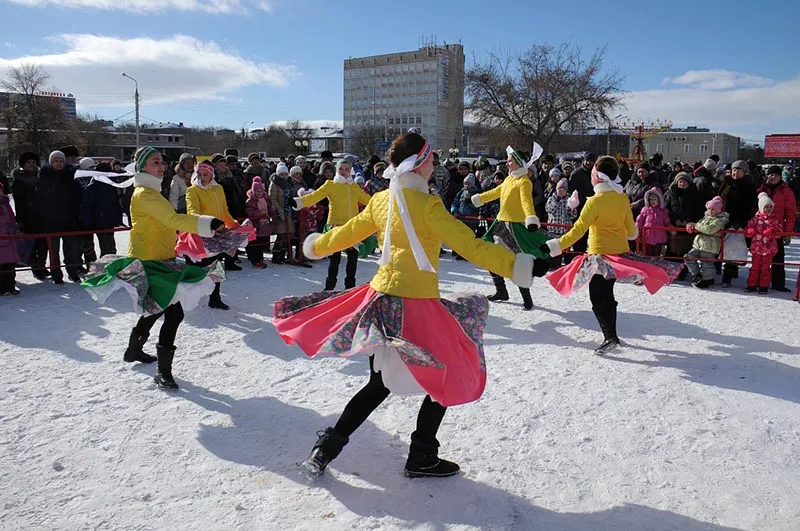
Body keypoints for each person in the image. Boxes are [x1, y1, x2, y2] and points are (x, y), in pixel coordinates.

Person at [273, 132, 549, 478]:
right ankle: (421, 455)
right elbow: (470, 245)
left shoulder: (380, 200)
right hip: (416, 306)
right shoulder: (429, 205)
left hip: (382, 302)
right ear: (420, 163)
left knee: (377, 385)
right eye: (432, 158)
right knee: (444, 375)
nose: (435, 164)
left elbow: (345, 234)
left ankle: (326, 448)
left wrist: (316, 245)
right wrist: (517, 265)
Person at [81, 147, 224, 389]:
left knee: (155, 309)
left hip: (162, 259)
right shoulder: (145, 194)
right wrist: (206, 223)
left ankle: (134, 349)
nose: (161, 166)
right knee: (173, 313)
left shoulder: (152, 192)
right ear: (142, 167)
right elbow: (171, 220)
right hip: (149, 262)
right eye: (155, 162)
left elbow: (168, 222)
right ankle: (163, 372)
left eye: (161, 162)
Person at [544, 156, 682, 353]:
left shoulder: (595, 202)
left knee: (597, 297)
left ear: (598, 178)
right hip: (618, 254)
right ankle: (611, 335)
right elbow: (631, 231)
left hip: (599, 256)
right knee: (607, 294)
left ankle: (610, 337)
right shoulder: (621, 198)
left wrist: (555, 245)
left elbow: (577, 231)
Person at [471, 145, 546, 311]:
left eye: (510, 161)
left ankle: (526, 298)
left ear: (519, 163)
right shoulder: (509, 179)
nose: (507, 163)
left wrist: (531, 217)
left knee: (517, 262)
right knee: (491, 257)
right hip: (499, 224)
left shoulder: (524, 181)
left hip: (514, 227)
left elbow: (527, 202)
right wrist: (479, 198)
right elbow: (496, 192)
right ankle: (501, 291)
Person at [293, 159, 372, 290]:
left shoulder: (354, 187)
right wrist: (299, 202)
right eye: (341, 169)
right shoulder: (330, 185)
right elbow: (315, 196)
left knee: (352, 259)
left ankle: (350, 287)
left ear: (350, 171)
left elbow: (368, 200)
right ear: (337, 170)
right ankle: (329, 287)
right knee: (335, 259)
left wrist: (384, 202)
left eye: (347, 169)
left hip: (351, 227)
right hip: (334, 226)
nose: (344, 171)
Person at [186, 161, 241, 310]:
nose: (202, 178)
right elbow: (192, 211)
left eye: (206, 175)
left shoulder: (218, 188)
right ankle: (185, 298)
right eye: (200, 174)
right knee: (196, 270)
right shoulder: (193, 191)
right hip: (199, 235)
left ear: (212, 174)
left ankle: (215, 298)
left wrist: (233, 224)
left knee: (216, 267)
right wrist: (207, 223)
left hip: (217, 235)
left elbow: (224, 211)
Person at [757, 165, 796, 292]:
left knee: (778, 258)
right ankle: (757, 282)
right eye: (771, 174)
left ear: (780, 177)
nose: (773, 177)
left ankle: (778, 283)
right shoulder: (760, 189)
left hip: (776, 230)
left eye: (776, 175)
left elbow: (790, 213)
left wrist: (787, 232)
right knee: (759, 257)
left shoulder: (786, 191)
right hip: (760, 230)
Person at [11, 152, 49, 280]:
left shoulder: (41, 178)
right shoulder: (19, 180)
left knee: (44, 244)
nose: (31, 165)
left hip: (43, 216)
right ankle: (36, 268)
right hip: (28, 217)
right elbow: (19, 203)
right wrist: (20, 219)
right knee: (32, 245)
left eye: (33, 162)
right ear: (23, 165)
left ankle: (42, 266)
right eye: (28, 162)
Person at [683, 196, 728, 290]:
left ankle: (708, 279)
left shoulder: (720, 220)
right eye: (709, 209)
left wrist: (696, 226)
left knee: (706, 263)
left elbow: (709, 229)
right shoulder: (705, 218)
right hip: (698, 243)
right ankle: (696, 274)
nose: (711, 211)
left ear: (718, 210)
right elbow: (699, 226)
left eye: (713, 209)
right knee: (688, 257)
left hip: (710, 246)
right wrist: (691, 224)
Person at [745, 193, 782, 294]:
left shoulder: (775, 220)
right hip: (757, 248)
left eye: (770, 207)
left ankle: (763, 285)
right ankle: (752, 284)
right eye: (766, 207)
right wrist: (750, 231)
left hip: (768, 248)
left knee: (765, 268)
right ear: (761, 207)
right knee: (755, 267)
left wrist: (772, 232)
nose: (769, 209)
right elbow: (748, 228)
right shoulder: (755, 219)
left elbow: (779, 233)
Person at [635, 187, 672, 257]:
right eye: (650, 199)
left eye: (655, 199)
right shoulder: (646, 210)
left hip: (659, 237)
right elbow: (639, 221)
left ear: (659, 200)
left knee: (657, 255)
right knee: (647, 255)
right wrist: (636, 232)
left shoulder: (663, 211)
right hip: (647, 237)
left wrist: (671, 229)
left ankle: (656, 266)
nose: (652, 201)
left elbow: (667, 222)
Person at [244, 176, 271, 269]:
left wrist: (272, 211)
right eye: (257, 191)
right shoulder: (251, 201)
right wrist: (258, 213)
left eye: (261, 191)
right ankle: (255, 260)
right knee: (256, 243)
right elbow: (249, 212)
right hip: (256, 224)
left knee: (263, 241)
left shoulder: (265, 199)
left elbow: (269, 209)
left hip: (265, 223)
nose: (260, 193)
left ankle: (260, 258)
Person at [0, 182, 21, 295]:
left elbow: (11, 218)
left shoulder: (5, 203)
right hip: (2, 238)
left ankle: (10, 286)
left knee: (10, 264)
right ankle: (2, 288)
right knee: (2, 265)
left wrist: (14, 228)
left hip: (9, 237)